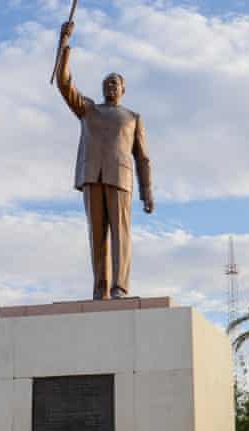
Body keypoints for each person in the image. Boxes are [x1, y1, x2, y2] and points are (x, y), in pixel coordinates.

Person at [55, 21, 155, 300]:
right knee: (96, 236)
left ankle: (119, 287)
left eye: (116, 82)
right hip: (91, 176)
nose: (111, 85)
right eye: (107, 82)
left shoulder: (132, 117)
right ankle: (101, 289)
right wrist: (63, 45)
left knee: (120, 235)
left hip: (120, 178)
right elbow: (64, 83)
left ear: (123, 88)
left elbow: (143, 158)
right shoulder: (88, 109)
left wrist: (147, 191)